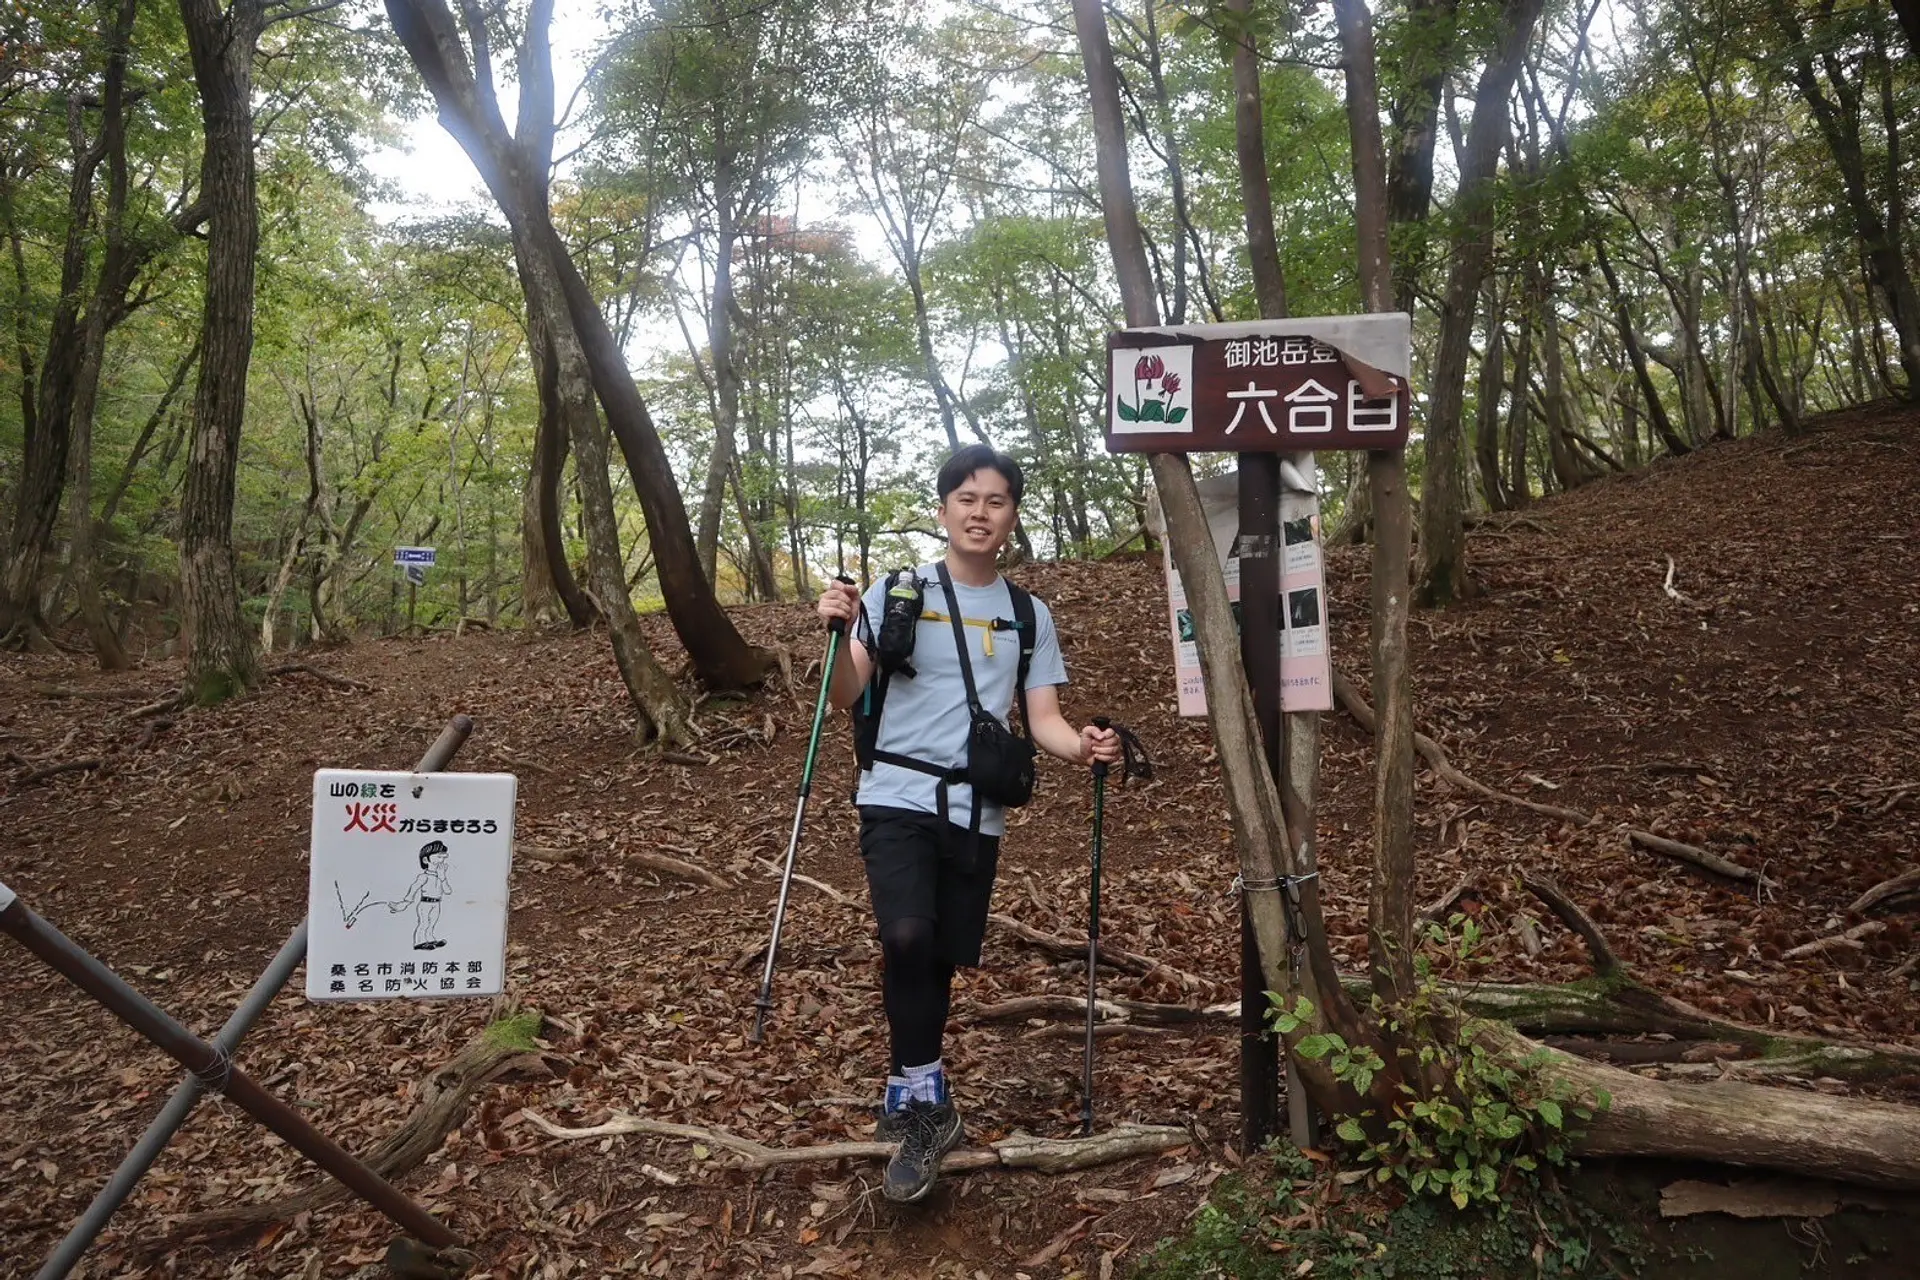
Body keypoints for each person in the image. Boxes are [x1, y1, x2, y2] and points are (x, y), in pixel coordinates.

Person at [816, 444, 1121, 1204]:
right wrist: (832, 631)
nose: (980, 512)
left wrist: (1081, 743)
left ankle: (913, 1086)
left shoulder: (1027, 613)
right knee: (905, 935)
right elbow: (846, 695)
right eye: (966, 498)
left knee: (938, 954)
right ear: (944, 508)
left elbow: (1041, 718)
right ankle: (923, 1099)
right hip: (895, 792)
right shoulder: (897, 592)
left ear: (1012, 515)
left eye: (995, 500)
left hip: (975, 808)